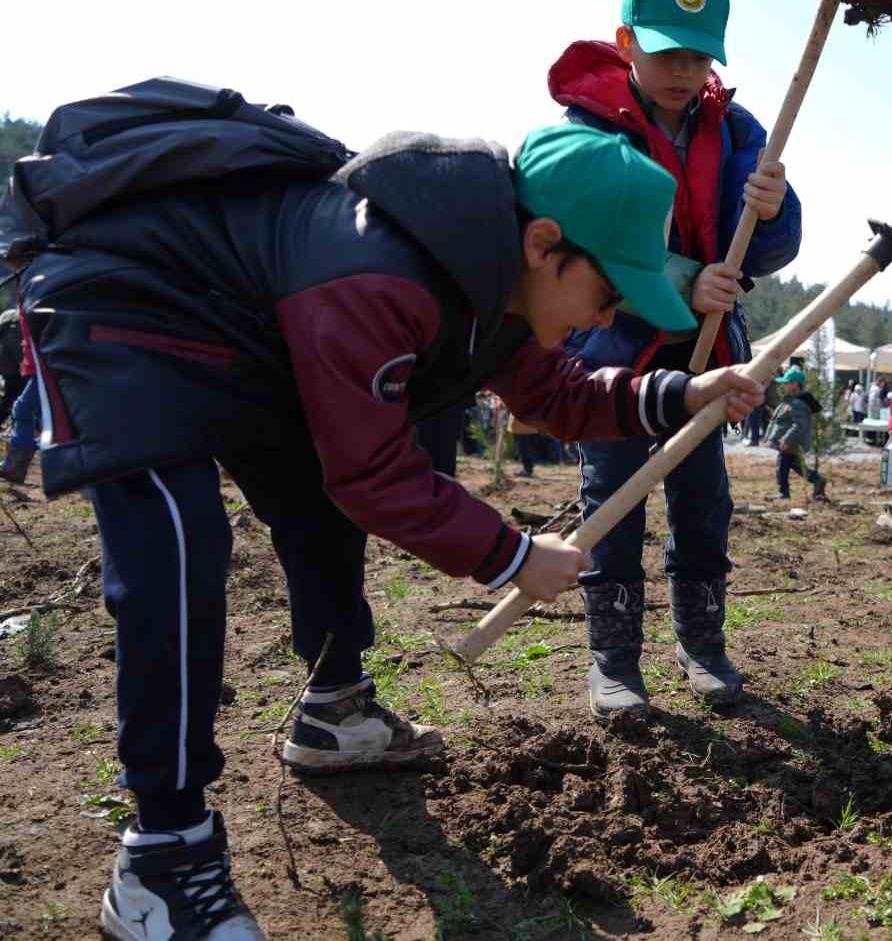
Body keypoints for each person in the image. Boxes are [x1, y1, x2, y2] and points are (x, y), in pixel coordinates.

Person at [14, 120, 763, 940]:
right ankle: (162, 858)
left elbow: (561, 392)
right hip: (128, 307)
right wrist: (512, 555)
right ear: (546, 244)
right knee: (179, 548)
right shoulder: (382, 272)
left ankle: (333, 711)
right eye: (609, 291)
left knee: (316, 500)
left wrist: (684, 395)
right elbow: (373, 474)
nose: (607, 314)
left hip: (242, 337)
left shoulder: (491, 283)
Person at [549, 0, 802, 718]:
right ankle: (615, 663)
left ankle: (703, 649)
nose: (683, 72)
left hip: (705, 360)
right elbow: (583, 237)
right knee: (613, 506)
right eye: (666, 53)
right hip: (617, 359)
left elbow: (771, 251)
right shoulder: (590, 131)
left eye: (698, 56)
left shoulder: (736, 131)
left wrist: (776, 205)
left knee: (703, 506)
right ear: (626, 41)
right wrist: (680, 276)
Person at [768, 366, 824, 499]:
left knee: (782, 467)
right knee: (797, 466)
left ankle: (784, 493)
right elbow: (780, 420)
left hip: (791, 443)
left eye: (786, 383)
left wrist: (787, 440)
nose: (784, 385)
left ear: (795, 384)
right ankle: (817, 480)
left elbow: (799, 425)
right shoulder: (792, 399)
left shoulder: (798, 403)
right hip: (789, 442)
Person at [0, 303, 39, 483]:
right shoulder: (16, 317)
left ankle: (16, 466)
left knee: (23, 408)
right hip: (26, 369)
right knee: (22, 408)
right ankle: (15, 466)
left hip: (36, 369)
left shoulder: (15, 317)